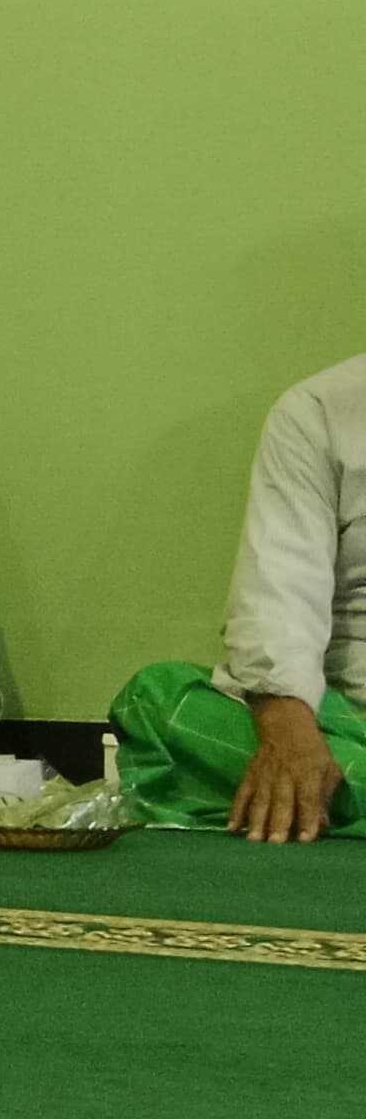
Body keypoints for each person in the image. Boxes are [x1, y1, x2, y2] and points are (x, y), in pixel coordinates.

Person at [113, 353, 366, 842]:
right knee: (156, 703)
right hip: (349, 720)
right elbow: (280, 585)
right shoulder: (319, 410)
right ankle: (318, 786)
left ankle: (326, 801)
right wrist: (288, 728)